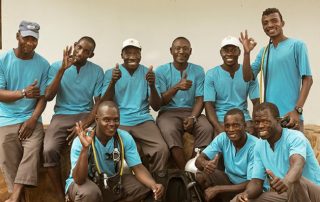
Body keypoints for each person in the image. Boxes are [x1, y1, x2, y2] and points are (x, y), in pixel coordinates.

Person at [43, 36, 104, 200]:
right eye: (79, 48)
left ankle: (89, 189)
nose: (80, 53)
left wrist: (86, 122)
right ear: (74, 46)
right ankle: (60, 194)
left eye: (86, 51)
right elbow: (48, 96)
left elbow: (98, 104)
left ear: (91, 55)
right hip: (61, 115)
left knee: (93, 148)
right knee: (48, 149)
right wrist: (62, 70)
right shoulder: (56, 66)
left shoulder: (97, 71)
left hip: (86, 115)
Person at [65, 101, 164, 202]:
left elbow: (138, 167)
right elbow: (79, 180)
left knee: (146, 188)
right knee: (90, 193)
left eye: (116, 120)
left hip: (110, 181)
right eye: (106, 120)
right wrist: (85, 149)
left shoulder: (124, 138)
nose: (112, 124)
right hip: (84, 184)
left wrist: (153, 185)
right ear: (97, 119)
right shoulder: (82, 140)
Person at [100, 38, 169, 172]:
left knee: (161, 149)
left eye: (135, 53)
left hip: (142, 119)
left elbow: (156, 106)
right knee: (113, 151)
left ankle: (156, 184)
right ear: (122, 55)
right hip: (120, 120)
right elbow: (104, 103)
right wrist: (113, 82)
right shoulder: (111, 73)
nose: (132, 56)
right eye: (128, 53)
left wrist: (152, 85)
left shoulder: (148, 74)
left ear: (140, 55)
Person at [240, 8, 313, 131]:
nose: (270, 25)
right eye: (265, 23)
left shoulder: (297, 45)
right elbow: (247, 77)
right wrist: (246, 53)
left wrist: (297, 110)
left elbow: (308, 80)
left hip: (291, 117)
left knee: (294, 150)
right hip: (270, 119)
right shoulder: (264, 52)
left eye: (274, 21)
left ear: (282, 23)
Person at [0, 21, 50, 202]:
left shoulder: (43, 64)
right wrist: (23, 93)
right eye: (26, 38)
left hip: (31, 118)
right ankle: (19, 198)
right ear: (17, 36)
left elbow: (42, 98)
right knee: (8, 160)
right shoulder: (3, 60)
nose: (30, 42)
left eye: (34, 39)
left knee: (32, 151)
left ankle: (14, 198)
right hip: (6, 119)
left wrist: (33, 119)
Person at [232, 102, 320, 202]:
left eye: (265, 121)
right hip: (287, 194)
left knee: (296, 181)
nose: (260, 126)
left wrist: (286, 181)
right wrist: (246, 194)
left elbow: (297, 165)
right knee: (239, 200)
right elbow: (257, 182)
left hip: (313, 194)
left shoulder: (295, 137)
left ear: (278, 120)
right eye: (257, 122)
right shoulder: (259, 145)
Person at [155, 37, 213, 170]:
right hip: (168, 112)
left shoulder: (198, 70)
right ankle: (184, 171)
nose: (181, 51)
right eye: (177, 48)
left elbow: (200, 99)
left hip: (191, 111)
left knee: (206, 127)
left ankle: (194, 165)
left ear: (190, 51)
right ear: (171, 51)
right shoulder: (161, 71)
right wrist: (176, 87)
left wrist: (193, 117)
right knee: (169, 129)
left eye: (185, 48)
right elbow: (160, 102)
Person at [195, 108, 259, 201]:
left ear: (245, 126)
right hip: (229, 181)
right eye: (227, 126)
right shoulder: (222, 138)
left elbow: (253, 183)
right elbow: (198, 162)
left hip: (249, 189)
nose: (231, 129)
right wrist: (205, 164)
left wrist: (218, 189)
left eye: (235, 125)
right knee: (200, 176)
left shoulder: (255, 145)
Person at [204, 36, 259, 136]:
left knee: (253, 145)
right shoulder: (211, 74)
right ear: (221, 52)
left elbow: (256, 102)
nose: (229, 53)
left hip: (243, 119)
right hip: (221, 119)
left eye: (233, 50)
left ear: (239, 52)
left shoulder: (248, 72)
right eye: (226, 50)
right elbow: (208, 105)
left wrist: (254, 124)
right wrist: (218, 128)